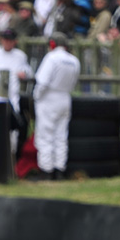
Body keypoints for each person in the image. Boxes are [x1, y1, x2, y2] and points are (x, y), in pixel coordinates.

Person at [32, 32, 80, 180]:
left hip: (49, 98)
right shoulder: (74, 60)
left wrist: (36, 97)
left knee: (45, 136)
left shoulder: (51, 58)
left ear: (52, 44)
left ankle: (46, 170)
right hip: (65, 98)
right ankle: (60, 169)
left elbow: (42, 82)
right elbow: (73, 83)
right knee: (61, 136)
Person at [0, 28, 33, 155]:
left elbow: (27, 71)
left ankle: (11, 157)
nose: (7, 42)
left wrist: (24, 73)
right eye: (5, 39)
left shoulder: (20, 56)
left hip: (12, 97)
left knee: (12, 128)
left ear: (15, 41)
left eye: (10, 40)